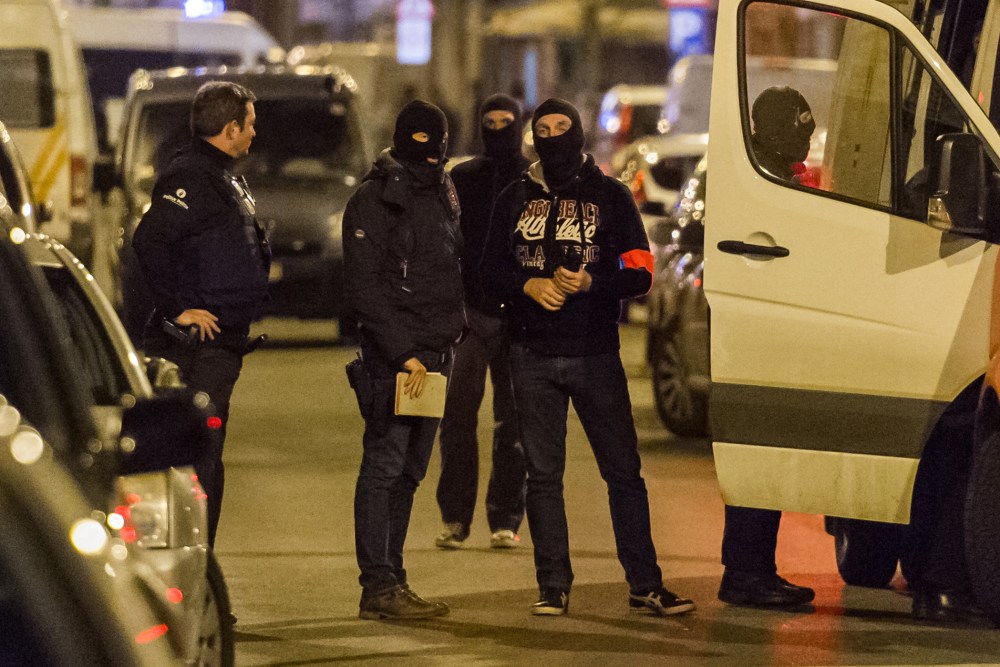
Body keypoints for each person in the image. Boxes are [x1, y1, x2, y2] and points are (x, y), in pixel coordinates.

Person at [480, 97, 696, 617]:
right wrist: (529, 285)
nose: (554, 136)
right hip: (531, 354)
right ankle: (553, 585)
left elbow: (641, 272)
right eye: (545, 128)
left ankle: (645, 584)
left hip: (595, 354)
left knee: (623, 473)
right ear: (534, 137)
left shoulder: (611, 196)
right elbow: (487, 271)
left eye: (563, 126)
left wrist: (592, 283)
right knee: (543, 478)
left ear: (577, 132)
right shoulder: (515, 197)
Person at [343, 100, 466, 620]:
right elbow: (365, 288)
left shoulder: (442, 190)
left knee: (411, 472)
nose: (429, 153)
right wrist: (404, 355)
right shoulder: (374, 199)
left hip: (436, 355)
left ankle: (392, 579)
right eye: (420, 141)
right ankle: (378, 585)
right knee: (384, 466)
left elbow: (449, 264)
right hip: (399, 362)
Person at [132, 81, 269, 548]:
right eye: (249, 124)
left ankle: (198, 560)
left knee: (207, 459)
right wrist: (179, 309)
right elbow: (150, 241)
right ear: (230, 129)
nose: (254, 132)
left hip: (220, 346)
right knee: (200, 461)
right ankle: (195, 562)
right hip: (198, 350)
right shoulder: (191, 176)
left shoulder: (217, 174)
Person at [716, 86, 817, 608]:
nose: (808, 139)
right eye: (801, 128)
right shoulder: (764, 181)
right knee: (761, 458)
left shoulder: (769, 174)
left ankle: (752, 569)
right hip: (760, 339)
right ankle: (747, 573)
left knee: (765, 458)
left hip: (764, 335)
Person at [434, 94, 529, 551]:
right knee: (456, 420)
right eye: (488, 122)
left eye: (505, 122)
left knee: (514, 424)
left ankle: (505, 519)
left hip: (518, 317)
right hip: (469, 316)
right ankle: (455, 518)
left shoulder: (533, 179)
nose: (497, 130)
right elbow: (446, 238)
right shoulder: (464, 177)